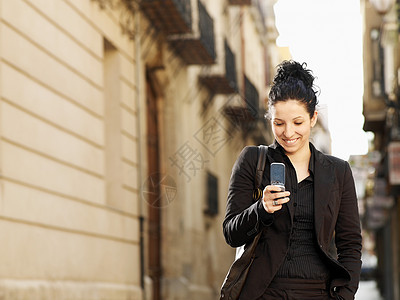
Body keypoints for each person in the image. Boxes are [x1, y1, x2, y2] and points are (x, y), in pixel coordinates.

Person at [223, 60, 362, 300]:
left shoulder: (338, 172)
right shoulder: (252, 160)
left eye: (297, 122)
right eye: (279, 123)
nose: (288, 133)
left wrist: (344, 296)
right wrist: (261, 209)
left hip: (318, 293)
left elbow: (350, 243)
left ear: (313, 118)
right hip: (262, 293)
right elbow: (231, 233)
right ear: (270, 119)